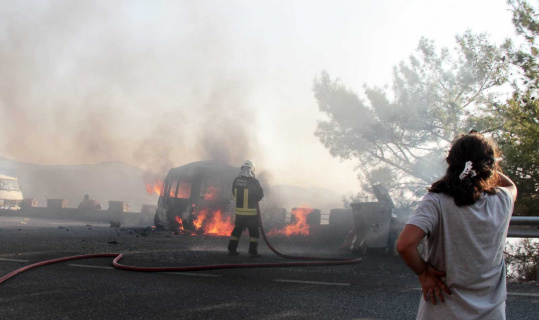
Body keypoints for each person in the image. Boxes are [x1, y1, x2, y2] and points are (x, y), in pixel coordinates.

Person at [397, 131, 517, 320]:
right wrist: (485, 166)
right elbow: (510, 185)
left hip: (442, 309)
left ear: (451, 163)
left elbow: (405, 245)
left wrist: (424, 273)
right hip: (491, 314)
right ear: (490, 165)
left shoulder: (436, 201)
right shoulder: (503, 200)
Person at [227, 160, 264, 257]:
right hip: (251, 214)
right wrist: (253, 199)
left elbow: (234, 193)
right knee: (254, 233)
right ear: (252, 170)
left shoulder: (236, 180)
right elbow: (260, 195)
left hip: (239, 213)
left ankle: (232, 250)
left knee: (237, 231)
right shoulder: (254, 181)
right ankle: (252, 252)